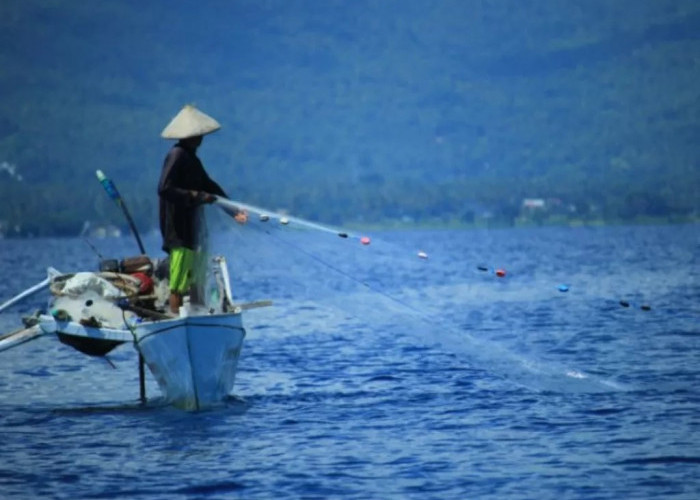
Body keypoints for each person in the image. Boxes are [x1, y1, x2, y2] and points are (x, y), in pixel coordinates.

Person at [158, 104, 247, 314]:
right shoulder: (177, 155)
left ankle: (198, 314)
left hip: (193, 228)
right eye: (198, 135)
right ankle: (176, 317)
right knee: (178, 283)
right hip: (178, 230)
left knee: (198, 276)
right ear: (189, 136)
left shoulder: (192, 158)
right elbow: (164, 189)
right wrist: (196, 196)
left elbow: (208, 186)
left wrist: (233, 210)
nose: (201, 138)